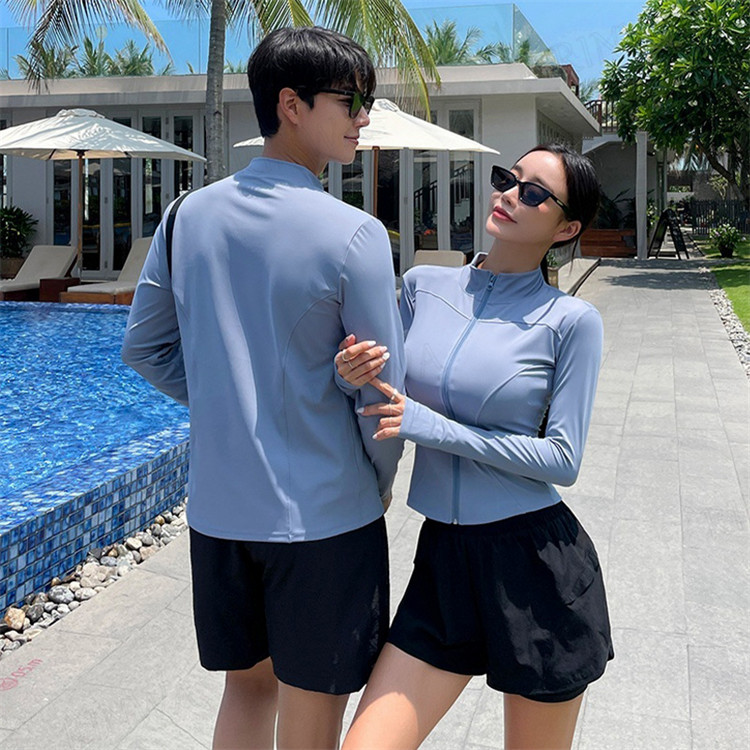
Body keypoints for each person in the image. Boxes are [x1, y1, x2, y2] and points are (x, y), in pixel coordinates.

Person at [121, 26, 405, 750]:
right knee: (313, 708)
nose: (363, 117)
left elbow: (144, 348)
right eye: (350, 101)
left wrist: (229, 403)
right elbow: (382, 397)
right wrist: (377, 483)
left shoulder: (185, 216)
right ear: (291, 104)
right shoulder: (355, 235)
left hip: (220, 511)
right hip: (324, 516)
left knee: (245, 693)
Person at [335, 144, 614, 750]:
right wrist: (349, 374)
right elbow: (383, 394)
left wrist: (431, 427)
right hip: (444, 560)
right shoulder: (422, 286)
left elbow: (563, 459)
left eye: (533, 193)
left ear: (566, 229)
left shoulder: (569, 321)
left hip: (536, 566)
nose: (509, 194)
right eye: (508, 178)